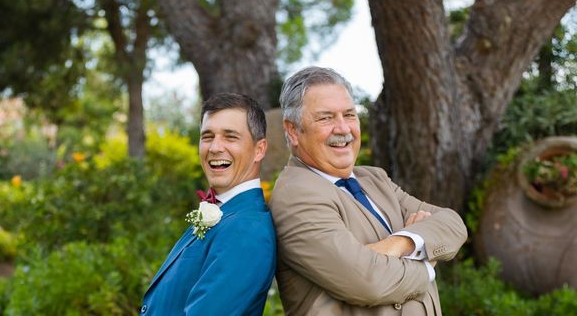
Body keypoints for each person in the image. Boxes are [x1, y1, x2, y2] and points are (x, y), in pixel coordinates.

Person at [269, 67, 468, 315]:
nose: (343, 129)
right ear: (292, 131)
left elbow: (453, 224)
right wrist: (426, 265)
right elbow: (367, 281)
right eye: (326, 118)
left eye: (349, 115)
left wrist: (402, 243)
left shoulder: (374, 179)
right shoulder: (296, 195)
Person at [139, 93, 277, 315]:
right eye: (207, 136)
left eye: (230, 137)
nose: (215, 147)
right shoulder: (227, 213)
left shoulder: (246, 229)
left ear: (259, 149)